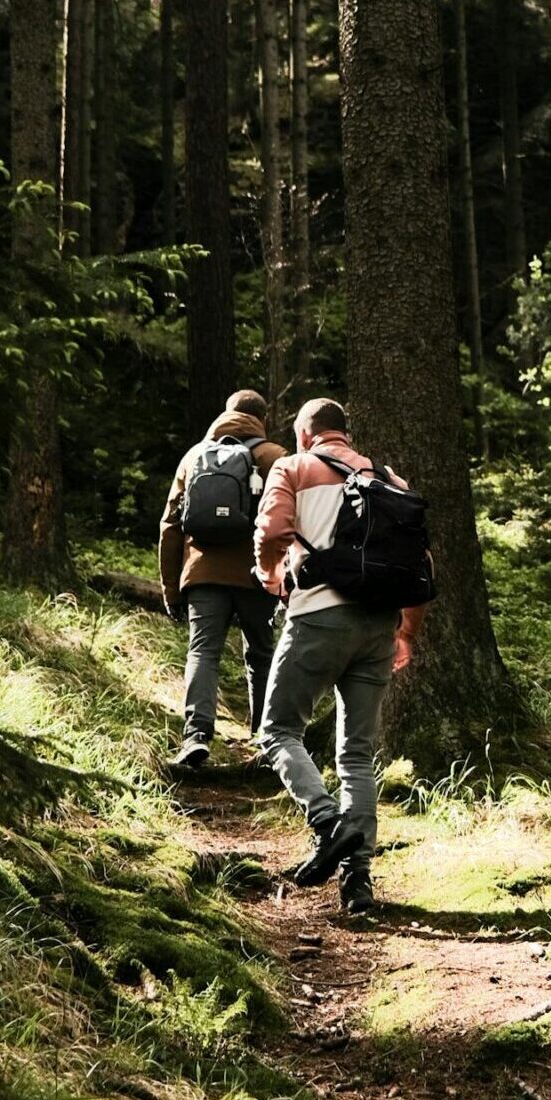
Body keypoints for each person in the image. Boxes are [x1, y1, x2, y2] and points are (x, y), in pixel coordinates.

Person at [252, 398, 426, 914]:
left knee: (278, 730)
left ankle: (328, 823)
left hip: (317, 618)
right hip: (378, 625)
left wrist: (271, 576)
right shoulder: (387, 479)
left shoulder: (293, 466)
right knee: (356, 754)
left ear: (306, 434)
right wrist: (406, 632)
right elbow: (418, 559)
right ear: (345, 435)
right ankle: (359, 885)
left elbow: (271, 531)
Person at [159, 389, 287, 768]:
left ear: (226, 413)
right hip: (258, 576)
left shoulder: (194, 456)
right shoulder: (275, 457)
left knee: (203, 651)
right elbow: (289, 520)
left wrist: (171, 587)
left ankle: (196, 736)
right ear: (262, 418)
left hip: (203, 574)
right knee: (262, 655)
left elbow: (170, 526)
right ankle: (266, 739)